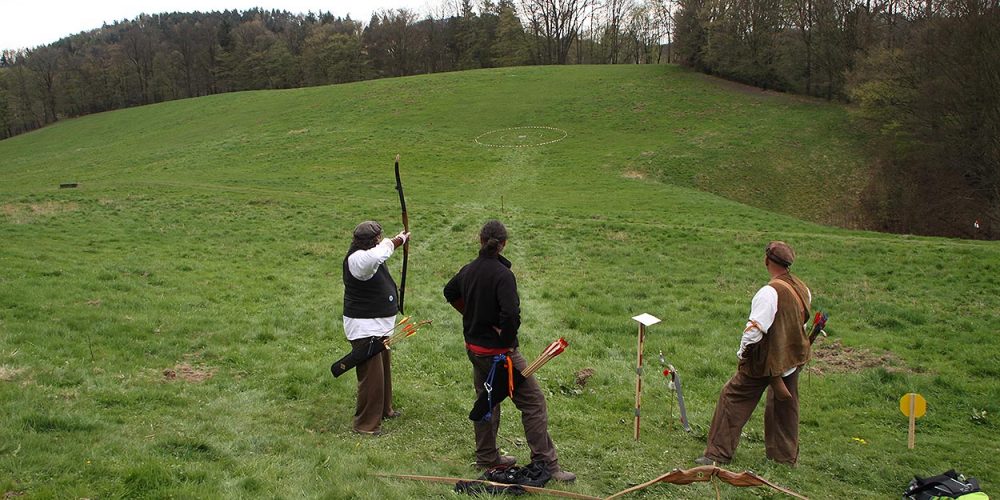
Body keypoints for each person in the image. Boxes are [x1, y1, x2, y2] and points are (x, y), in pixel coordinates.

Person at [443, 220, 575, 482]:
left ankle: (487, 457)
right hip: (499, 355)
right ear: (503, 244)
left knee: (487, 399)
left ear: (480, 240)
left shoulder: (469, 270)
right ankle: (546, 464)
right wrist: (505, 338)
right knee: (533, 403)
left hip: (476, 350)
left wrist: (470, 314)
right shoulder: (503, 276)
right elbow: (511, 314)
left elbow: (450, 291)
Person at [696, 241, 812, 466]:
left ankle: (717, 454)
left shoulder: (769, 293)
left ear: (767, 261)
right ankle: (784, 458)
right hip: (792, 358)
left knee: (733, 397)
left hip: (765, 360)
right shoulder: (802, 288)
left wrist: (743, 355)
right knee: (785, 407)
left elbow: (755, 330)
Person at [342, 220, 410, 435]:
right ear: (374, 240)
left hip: (378, 326)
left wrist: (398, 241)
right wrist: (398, 240)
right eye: (379, 238)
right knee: (372, 379)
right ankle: (365, 425)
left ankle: (384, 410)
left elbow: (380, 252)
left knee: (382, 373)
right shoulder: (358, 259)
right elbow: (378, 254)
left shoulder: (368, 254)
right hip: (364, 328)